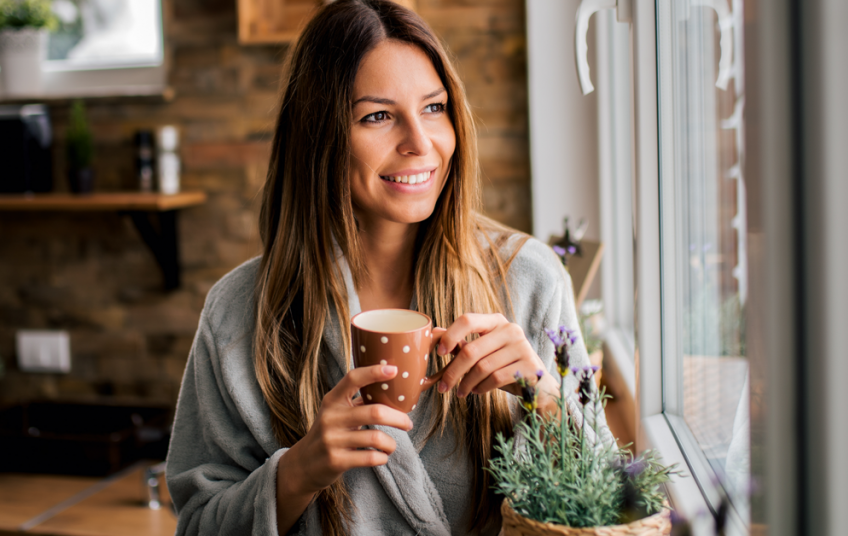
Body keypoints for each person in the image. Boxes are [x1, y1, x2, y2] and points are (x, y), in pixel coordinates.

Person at [165, 1, 601, 535]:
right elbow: (198, 525)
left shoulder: (528, 279)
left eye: (434, 108)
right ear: (319, 136)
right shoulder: (238, 313)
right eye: (377, 116)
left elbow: (610, 499)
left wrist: (543, 396)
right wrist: (299, 471)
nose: (420, 144)